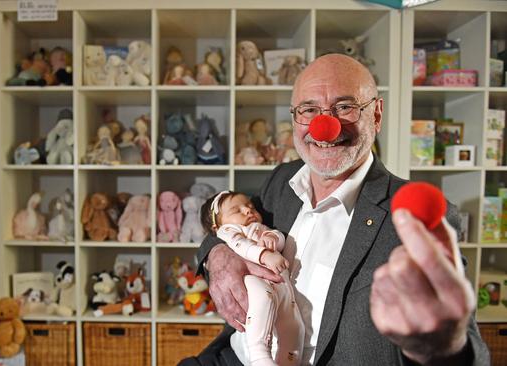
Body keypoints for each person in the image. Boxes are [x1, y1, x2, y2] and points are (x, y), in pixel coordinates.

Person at [182, 54, 489, 366]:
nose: (324, 126)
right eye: (309, 110)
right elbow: (228, 219)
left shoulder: (413, 215)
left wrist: (442, 348)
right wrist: (218, 257)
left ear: (377, 115)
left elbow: (468, 351)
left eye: (345, 107)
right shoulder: (281, 181)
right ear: (294, 118)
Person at [199, 190, 304, 366]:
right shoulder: (229, 231)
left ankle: (288, 361)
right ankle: (259, 355)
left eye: (250, 207)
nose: (248, 211)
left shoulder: (261, 228)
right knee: (263, 300)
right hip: (253, 280)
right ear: (217, 226)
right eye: (236, 210)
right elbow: (241, 245)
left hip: (281, 285)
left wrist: (274, 237)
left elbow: (280, 238)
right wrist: (264, 255)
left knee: (293, 325)